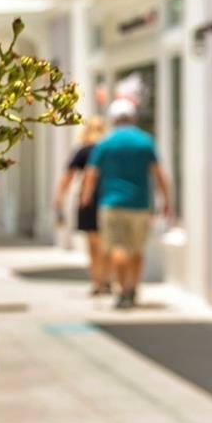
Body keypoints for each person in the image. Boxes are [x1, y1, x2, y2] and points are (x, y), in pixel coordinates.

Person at [82, 99, 172, 309]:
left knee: (117, 247)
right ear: (133, 118)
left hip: (111, 204)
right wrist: (166, 200)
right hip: (140, 204)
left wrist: (86, 197)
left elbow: (91, 173)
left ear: (113, 119)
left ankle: (123, 289)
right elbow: (158, 174)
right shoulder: (144, 142)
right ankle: (132, 288)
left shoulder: (106, 143)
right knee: (137, 249)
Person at [54, 117, 110, 296]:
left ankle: (97, 281)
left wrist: (59, 198)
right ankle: (108, 279)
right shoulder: (106, 150)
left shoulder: (83, 151)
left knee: (93, 243)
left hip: (88, 199)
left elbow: (68, 176)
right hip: (108, 197)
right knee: (106, 242)